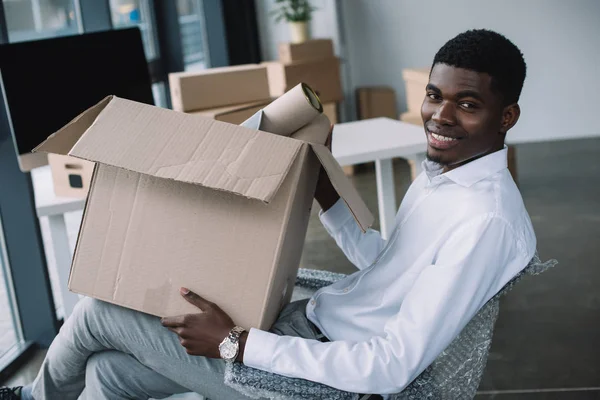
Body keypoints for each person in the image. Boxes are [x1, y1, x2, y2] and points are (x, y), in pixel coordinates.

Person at [1, 28, 535, 400]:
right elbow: (391, 267)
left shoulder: (484, 219)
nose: (440, 116)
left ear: (506, 116)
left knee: (96, 314)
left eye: (467, 104)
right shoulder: (450, 174)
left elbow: (391, 366)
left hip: (324, 383)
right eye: (434, 96)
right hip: (310, 330)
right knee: (110, 375)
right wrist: (327, 194)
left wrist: (234, 343)